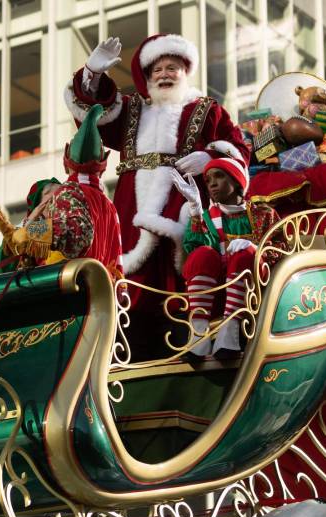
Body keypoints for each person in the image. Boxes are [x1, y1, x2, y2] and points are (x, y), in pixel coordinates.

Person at [66, 34, 249, 356]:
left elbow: (239, 151)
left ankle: (194, 334)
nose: (165, 74)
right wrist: (92, 74)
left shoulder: (207, 110)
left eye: (172, 68)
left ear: (185, 72)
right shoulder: (132, 109)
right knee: (128, 277)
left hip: (183, 199)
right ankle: (128, 342)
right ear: (148, 77)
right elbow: (93, 115)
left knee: (184, 265)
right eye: (158, 69)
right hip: (131, 205)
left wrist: (210, 158)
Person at [0, 104, 123, 280]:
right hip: (100, 289)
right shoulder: (107, 205)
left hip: (78, 289)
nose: (53, 198)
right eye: (47, 194)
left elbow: (76, 232)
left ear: (66, 162)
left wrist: (28, 233)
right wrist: (22, 230)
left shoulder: (71, 192)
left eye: (56, 193)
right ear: (103, 166)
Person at [181, 156, 281, 360]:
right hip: (215, 292)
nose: (212, 184)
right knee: (202, 254)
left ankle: (230, 334)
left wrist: (255, 249)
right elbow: (195, 252)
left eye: (219, 176)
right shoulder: (206, 217)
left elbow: (282, 250)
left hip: (256, 291)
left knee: (243, 256)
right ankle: (198, 335)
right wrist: (195, 212)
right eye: (208, 180)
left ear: (236, 182)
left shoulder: (264, 213)